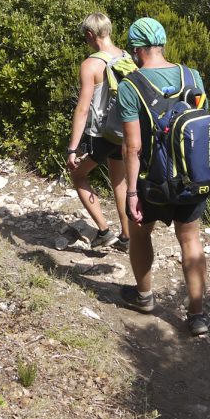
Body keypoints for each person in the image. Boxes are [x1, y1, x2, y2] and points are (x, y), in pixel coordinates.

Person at [117, 17, 210, 337]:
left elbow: (132, 146)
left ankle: (144, 297)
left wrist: (131, 193)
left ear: (136, 49)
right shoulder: (191, 75)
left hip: (153, 180)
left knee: (140, 234)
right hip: (192, 177)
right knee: (191, 239)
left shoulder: (131, 85)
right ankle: (197, 315)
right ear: (161, 44)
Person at [64, 13, 131, 251]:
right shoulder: (126, 56)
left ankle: (103, 231)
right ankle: (126, 237)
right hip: (124, 132)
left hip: (101, 134)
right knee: (120, 183)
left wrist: (73, 148)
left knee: (78, 175)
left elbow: (83, 109)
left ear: (91, 35)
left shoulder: (90, 65)